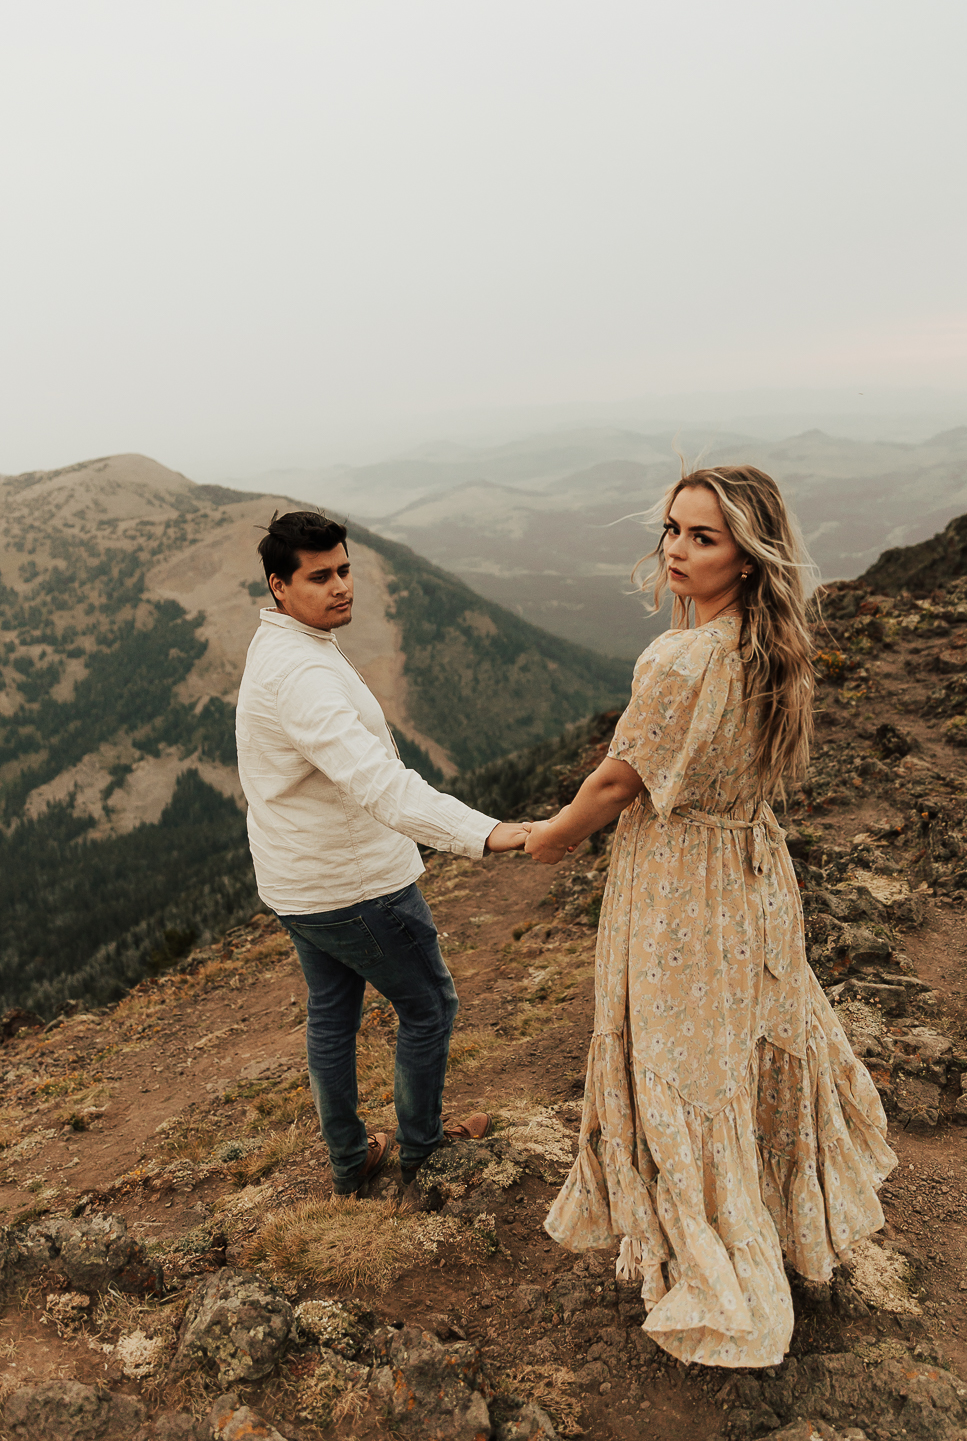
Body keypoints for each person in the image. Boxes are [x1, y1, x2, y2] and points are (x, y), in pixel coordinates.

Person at [523, 466, 896, 1368]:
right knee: (749, 1040)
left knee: (680, 1058)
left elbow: (620, 778)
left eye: (704, 537)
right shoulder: (774, 645)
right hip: (750, 871)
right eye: (673, 531)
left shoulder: (680, 657)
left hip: (680, 879)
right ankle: (779, 1222)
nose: (679, 551)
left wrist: (552, 836)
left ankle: (719, 1264)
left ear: (745, 554)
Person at [236, 510, 527, 1208]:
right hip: (355, 886)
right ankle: (422, 1156)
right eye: (319, 576)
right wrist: (492, 833)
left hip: (300, 886)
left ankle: (350, 1163)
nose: (340, 587)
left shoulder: (285, 642)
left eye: (343, 569)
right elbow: (378, 785)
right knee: (428, 1006)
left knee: (332, 1017)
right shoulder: (301, 675)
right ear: (279, 586)